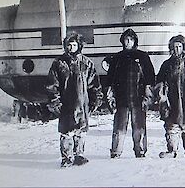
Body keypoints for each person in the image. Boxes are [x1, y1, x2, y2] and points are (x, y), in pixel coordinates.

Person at [46, 32, 103, 167]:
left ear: (79, 46)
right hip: (65, 105)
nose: (71, 48)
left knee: (81, 131)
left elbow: (94, 84)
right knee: (66, 132)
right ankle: (66, 158)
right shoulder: (59, 64)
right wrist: (56, 103)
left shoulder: (86, 63)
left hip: (82, 104)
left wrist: (95, 101)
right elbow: (52, 85)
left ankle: (79, 155)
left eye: (74, 45)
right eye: (69, 45)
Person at [106, 28, 155, 158]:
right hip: (121, 98)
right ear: (122, 41)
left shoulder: (143, 57)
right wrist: (111, 97)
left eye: (131, 40)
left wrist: (147, 97)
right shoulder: (117, 58)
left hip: (138, 99)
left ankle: (140, 151)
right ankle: (116, 151)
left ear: (135, 41)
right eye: (126, 40)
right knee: (119, 127)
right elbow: (110, 80)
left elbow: (150, 78)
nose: (128, 42)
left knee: (139, 127)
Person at [156, 35, 185, 158]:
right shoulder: (167, 64)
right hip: (172, 100)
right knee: (171, 125)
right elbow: (160, 82)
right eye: (175, 47)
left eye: (179, 46)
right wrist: (163, 99)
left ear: (184, 47)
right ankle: (172, 150)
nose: (177, 49)